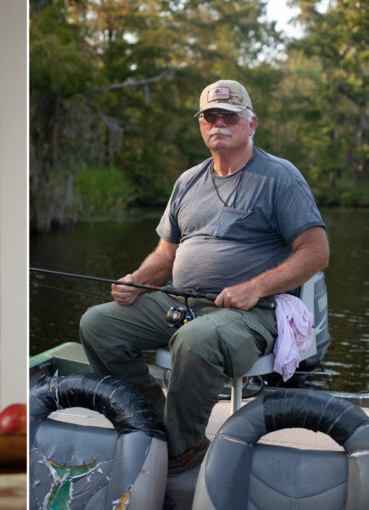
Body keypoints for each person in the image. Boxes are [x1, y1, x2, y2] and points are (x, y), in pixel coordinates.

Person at [79, 80, 329, 475]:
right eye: (209, 116)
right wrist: (136, 278)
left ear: (251, 122)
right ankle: (154, 421)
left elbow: (316, 253)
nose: (218, 123)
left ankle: (183, 449)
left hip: (251, 312)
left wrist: (255, 287)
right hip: (180, 302)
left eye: (229, 115)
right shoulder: (187, 181)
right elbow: (167, 254)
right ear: (200, 125)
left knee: (195, 340)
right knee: (98, 323)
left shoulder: (280, 177)